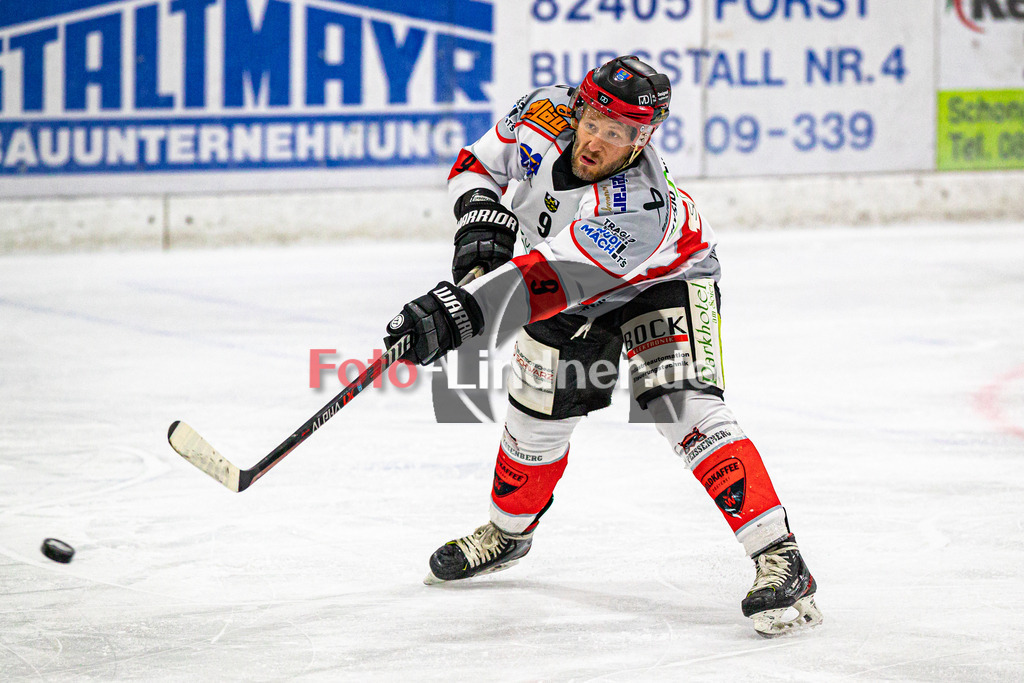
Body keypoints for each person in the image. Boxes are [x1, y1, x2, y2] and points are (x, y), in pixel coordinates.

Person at [384, 56, 822, 637]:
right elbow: (475, 164)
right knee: (535, 419)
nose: (597, 140)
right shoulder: (544, 110)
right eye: (593, 121)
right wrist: (479, 220)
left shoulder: (637, 210)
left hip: (661, 282)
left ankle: (779, 554)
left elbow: (543, 284)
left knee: (679, 404)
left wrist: (456, 316)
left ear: (643, 139)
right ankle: (508, 535)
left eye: (619, 133)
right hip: (563, 286)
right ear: (578, 107)